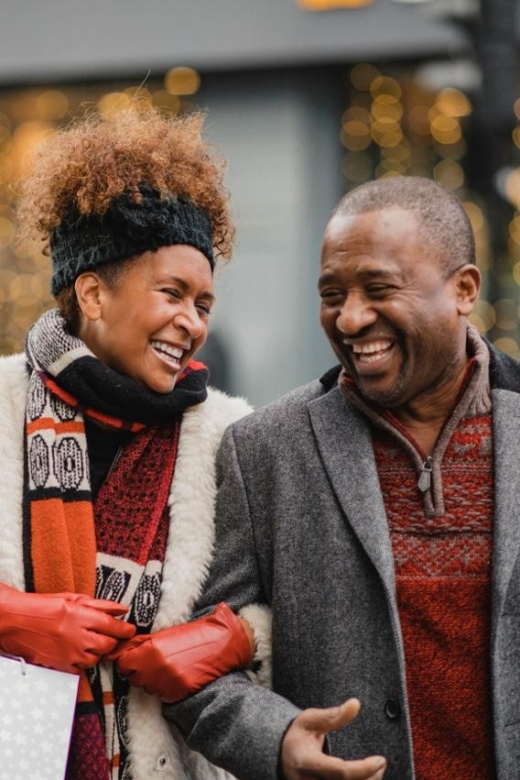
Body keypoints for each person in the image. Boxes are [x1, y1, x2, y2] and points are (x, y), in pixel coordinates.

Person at [164, 175, 520, 780]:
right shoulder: (264, 450)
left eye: (379, 289)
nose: (351, 320)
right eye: (332, 295)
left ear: (463, 290)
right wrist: (276, 740)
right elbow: (194, 663)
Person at [0, 104, 267, 780]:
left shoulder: (230, 434)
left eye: (203, 304)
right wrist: (11, 618)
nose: (191, 323)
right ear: (92, 293)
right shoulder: (1, 405)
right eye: (172, 293)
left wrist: (235, 636)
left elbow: (291, 595)